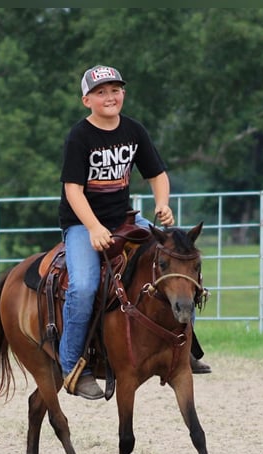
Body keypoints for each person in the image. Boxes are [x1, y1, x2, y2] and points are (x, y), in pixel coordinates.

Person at [58, 64, 210, 400]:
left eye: (115, 90)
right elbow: (73, 190)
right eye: (101, 92)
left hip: (125, 220)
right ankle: (71, 366)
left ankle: (186, 351)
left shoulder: (134, 130)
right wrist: (94, 227)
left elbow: (157, 174)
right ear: (87, 100)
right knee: (83, 287)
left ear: (123, 93)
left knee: (176, 258)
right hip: (83, 224)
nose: (109, 97)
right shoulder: (79, 137)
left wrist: (163, 203)